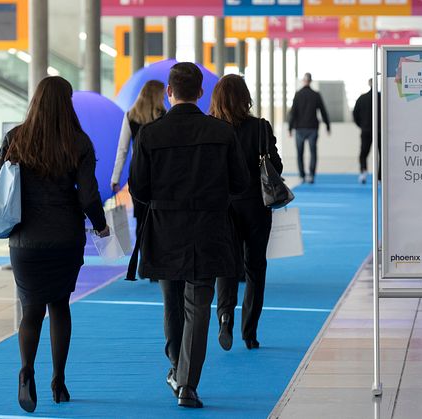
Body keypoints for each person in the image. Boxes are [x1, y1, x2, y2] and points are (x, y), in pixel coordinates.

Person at [128, 62, 250, 408]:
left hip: (166, 229)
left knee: (171, 301)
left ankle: (174, 366)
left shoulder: (150, 134)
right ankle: (187, 384)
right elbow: (240, 184)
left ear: (170, 92)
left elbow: (138, 188)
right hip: (209, 227)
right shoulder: (222, 133)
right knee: (198, 305)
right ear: (200, 93)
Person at [0, 76, 109, 413]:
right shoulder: (79, 142)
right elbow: (87, 195)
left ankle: (26, 371)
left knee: (31, 310)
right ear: (67, 102)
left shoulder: (16, 137)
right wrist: (100, 226)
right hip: (65, 238)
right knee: (60, 307)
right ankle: (59, 379)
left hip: (25, 241)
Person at [210, 75, 283, 352]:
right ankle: (249, 332)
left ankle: (225, 317)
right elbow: (276, 165)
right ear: (246, 98)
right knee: (255, 267)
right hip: (256, 205)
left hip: (222, 206)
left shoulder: (211, 128)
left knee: (226, 267)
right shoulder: (260, 127)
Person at [110, 80, 166, 236]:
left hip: (138, 173)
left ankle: (142, 255)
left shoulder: (130, 117)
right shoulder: (164, 116)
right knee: (159, 218)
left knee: (140, 216)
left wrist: (115, 179)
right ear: (157, 96)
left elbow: (123, 150)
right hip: (160, 174)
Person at [288, 72, 331, 184]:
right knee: (313, 152)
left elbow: (293, 112)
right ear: (310, 81)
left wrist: (290, 128)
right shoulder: (316, 95)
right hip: (312, 128)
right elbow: (323, 111)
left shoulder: (298, 94)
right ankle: (311, 175)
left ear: (303, 81)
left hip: (300, 128)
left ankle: (302, 175)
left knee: (300, 153)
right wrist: (327, 125)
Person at [352, 78, 381, 184]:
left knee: (363, 153)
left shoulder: (362, 98)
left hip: (366, 130)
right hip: (379, 130)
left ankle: (363, 172)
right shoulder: (381, 98)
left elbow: (355, 114)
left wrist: (362, 125)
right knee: (381, 154)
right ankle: (379, 177)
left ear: (369, 84)